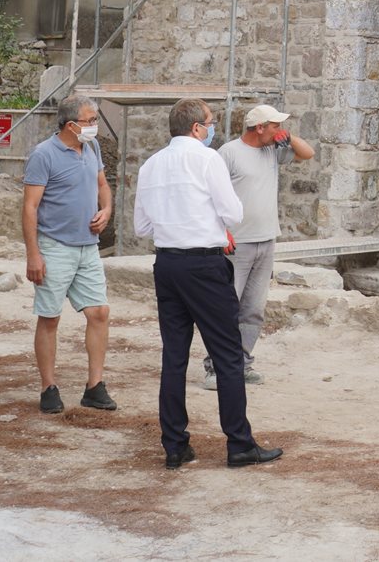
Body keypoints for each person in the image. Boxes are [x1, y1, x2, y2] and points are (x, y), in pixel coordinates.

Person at [133, 97, 282, 470]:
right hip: (203, 263)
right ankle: (239, 443)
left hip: (167, 262)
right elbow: (233, 212)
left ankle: (175, 444)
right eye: (211, 122)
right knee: (228, 354)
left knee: (174, 356)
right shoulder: (207, 158)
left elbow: (142, 227)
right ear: (198, 128)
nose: (213, 129)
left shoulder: (151, 165)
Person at [201, 103, 315, 392]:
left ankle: (242, 364)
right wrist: (221, 232)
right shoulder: (228, 153)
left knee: (254, 309)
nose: (279, 129)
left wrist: (288, 138)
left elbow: (308, 153)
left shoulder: (273, 150)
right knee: (226, 308)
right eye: (275, 125)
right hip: (236, 243)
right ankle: (215, 368)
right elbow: (210, 195)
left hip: (266, 239)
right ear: (259, 127)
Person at [23, 94, 116, 414]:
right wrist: (33, 254)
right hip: (54, 246)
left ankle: (95, 386)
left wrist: (106, 209)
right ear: (71, 123)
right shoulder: (43, 154)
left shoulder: (92, 147)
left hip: (88, 247)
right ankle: (48, 387)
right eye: (91, 121)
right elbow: (30, 207)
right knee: (50, 317)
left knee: (99, 313)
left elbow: (102, 184)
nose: (95, 126)